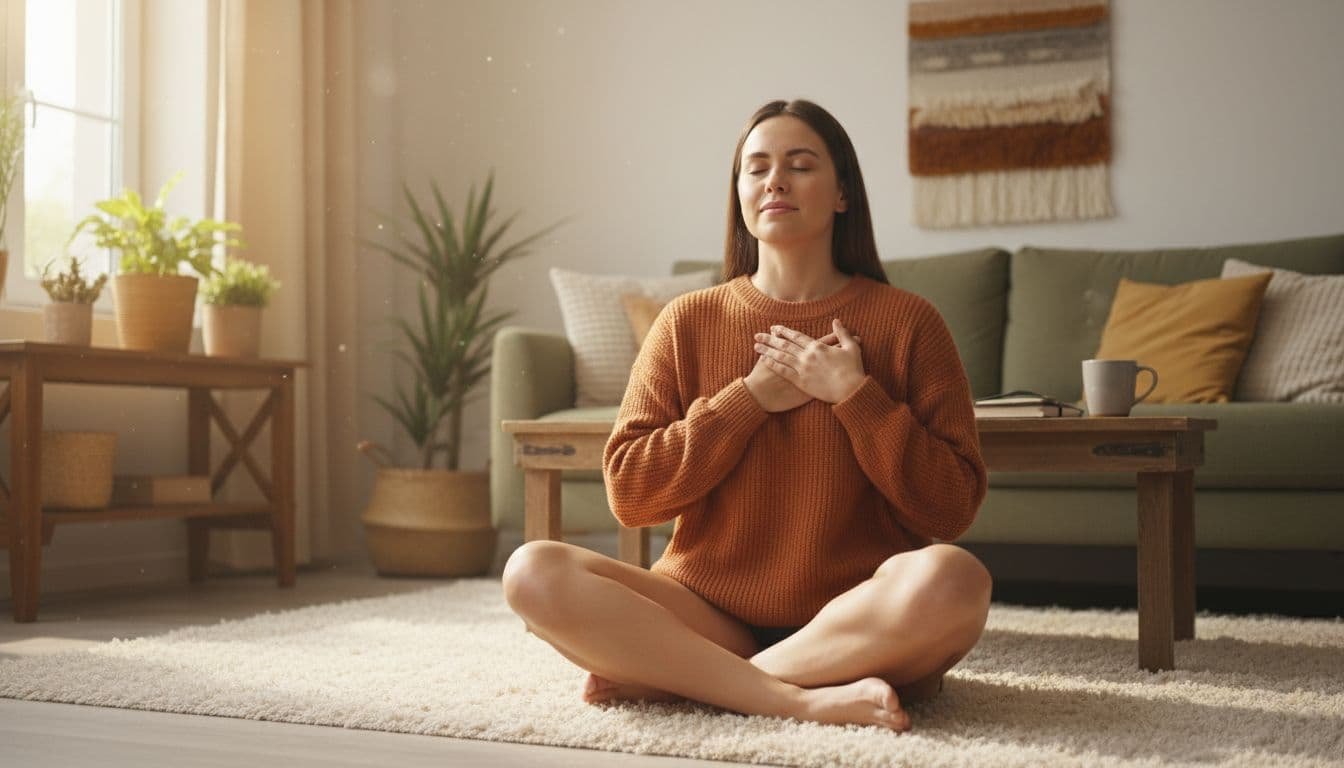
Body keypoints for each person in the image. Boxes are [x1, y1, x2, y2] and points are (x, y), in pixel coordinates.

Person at [503, 99, 990, 732]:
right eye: (756, 168)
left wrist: (856, 398)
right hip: (702, 610)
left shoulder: (909, 322)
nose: (775, 181)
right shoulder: (687, 321)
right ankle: (792, 696)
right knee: (532, 572)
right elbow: (631, 494)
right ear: (740, 196)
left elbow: (950, 508)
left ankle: (687, 677)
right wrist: (747, 400)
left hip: (858, 616)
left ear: (843, 193)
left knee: (956, 580)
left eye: (800, 164)